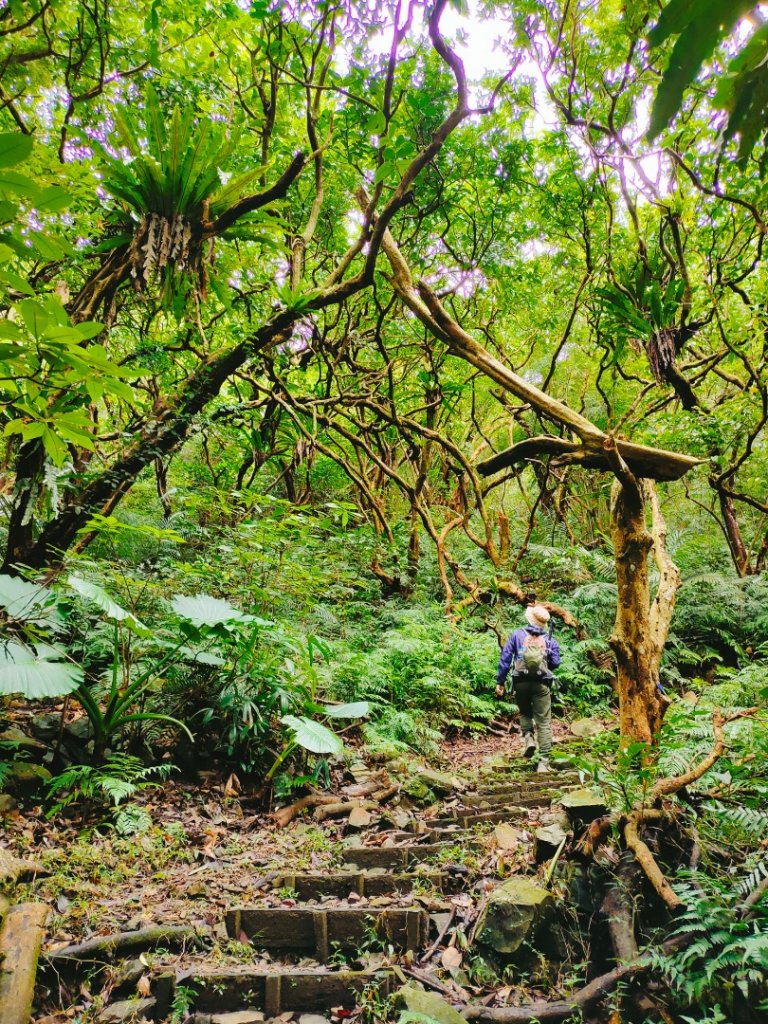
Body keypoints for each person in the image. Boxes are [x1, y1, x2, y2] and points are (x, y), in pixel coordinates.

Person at [495, 604, 561, 773]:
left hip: (520, 681)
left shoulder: (517, 635)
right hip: (541, 683)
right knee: (544, 723)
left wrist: (500, 682)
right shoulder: (549, 639)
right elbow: (555, 663)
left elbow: (505, 659)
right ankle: (543, 763)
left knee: (525, 712)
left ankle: (528, 739)